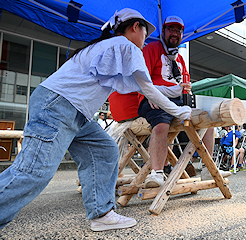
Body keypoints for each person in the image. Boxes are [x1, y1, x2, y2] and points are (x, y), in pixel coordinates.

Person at [0, 8, 192, 231]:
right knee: (33, 172)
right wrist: (182, 112)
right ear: (135, 27)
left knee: (104, 151)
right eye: (145, 33)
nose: (146, 39)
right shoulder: (126, 46)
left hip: (74, 112)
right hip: (59, 107)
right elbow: (149, 89)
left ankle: (101, 213)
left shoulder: (111, 47)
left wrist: (177, 91)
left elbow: (147, 87)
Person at [138, 15, 229, 187]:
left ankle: (208, 168)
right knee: (161, 124)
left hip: (179, 101)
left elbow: (185, 84)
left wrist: (187, 87)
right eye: (171, 29)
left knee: (207, 119)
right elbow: (142, 80)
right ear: (163, 31)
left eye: (178, 30)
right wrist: (149, 95)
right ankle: (156, 173)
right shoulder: (152, 49)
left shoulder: (179, 59)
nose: (175, 33)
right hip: (155, 99)